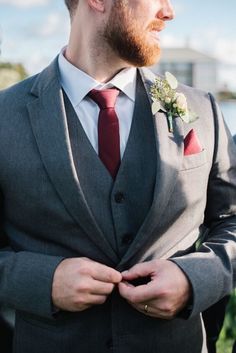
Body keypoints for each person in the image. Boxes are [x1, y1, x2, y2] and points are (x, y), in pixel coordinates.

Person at [0, 0, 235, 352]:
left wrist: (197, 277)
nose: (169, 12)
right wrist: (39, 281)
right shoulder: (5, 116)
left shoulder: (203, 108)